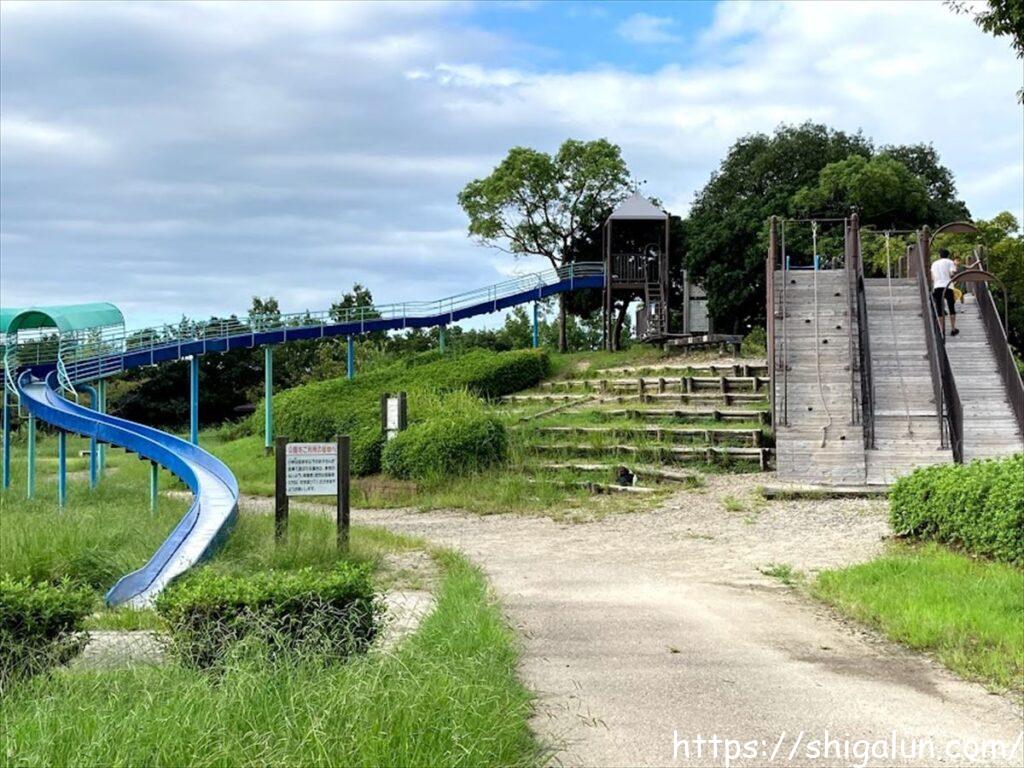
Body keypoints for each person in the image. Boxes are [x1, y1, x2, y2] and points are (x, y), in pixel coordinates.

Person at [930, 248, 959, 336]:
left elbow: (932, 277)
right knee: (951, 307)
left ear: (940, 255)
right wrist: (956, 266)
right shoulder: (950, 262)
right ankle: (953, 329)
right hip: (948, 286)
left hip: (937, 286)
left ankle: (941, 329)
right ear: (948, 255)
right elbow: (952, 274)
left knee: (939, 308)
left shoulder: (934, 263)